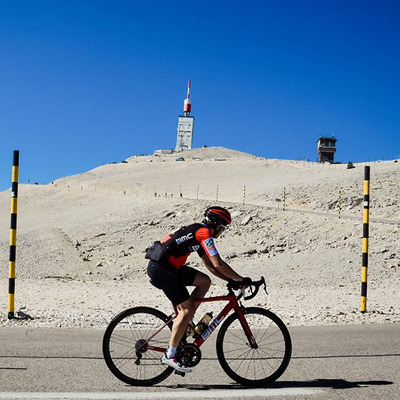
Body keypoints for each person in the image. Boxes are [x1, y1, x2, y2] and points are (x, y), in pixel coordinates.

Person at [146, 206, 252, 373]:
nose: (223, 231)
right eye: (223, 227)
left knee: (204, 281)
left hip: (168, 267)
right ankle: (170, 355)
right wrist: (240, 279)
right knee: (187, 309)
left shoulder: (199, 233)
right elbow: (218, 263)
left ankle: (186, 324)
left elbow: (210, 267)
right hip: (162, 269)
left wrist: (230, 280)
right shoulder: (204, 234)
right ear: (216, 224)